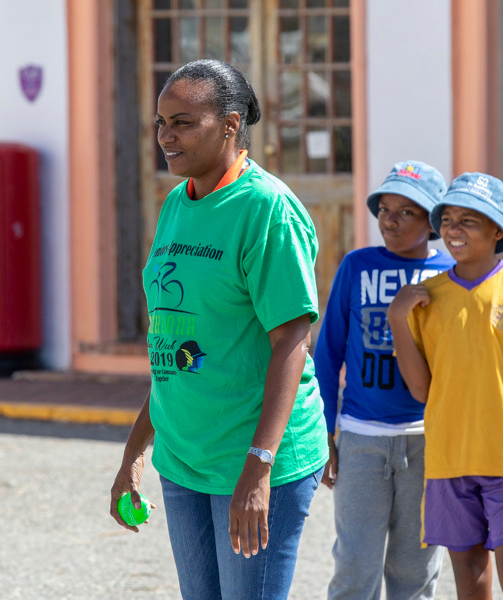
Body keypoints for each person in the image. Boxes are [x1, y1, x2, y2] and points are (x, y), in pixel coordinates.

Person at [109, 59, 328, 600]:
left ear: (230, 125)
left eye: (182, 123)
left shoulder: (267, 210)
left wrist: (259, 467)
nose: (166, 137)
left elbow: (291, 342)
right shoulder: (176, 205)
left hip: (254, 461)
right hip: (185, 459)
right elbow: (173, 344)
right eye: (161, 123)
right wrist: (135, 453)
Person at [388, 172, 503, 600]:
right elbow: (422, 391)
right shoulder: (426, 298)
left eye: (468, 220)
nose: (453, 229)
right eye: (447, 219)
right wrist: (398, 318)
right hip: (448, 462)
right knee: (470, 577)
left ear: (497, 231)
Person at [314, 160, 452, 600]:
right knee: (355, 567)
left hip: (428, 440)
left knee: (417, 571)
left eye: (406, 211)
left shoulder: (450, 275)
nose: (390, 220)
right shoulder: (357, 265)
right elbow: (327, 353)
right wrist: (325, 432)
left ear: (432, 222)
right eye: (384, 209)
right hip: (361, 439)